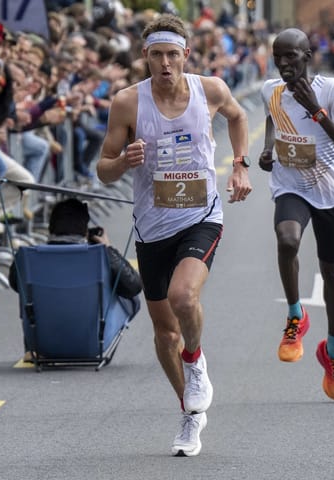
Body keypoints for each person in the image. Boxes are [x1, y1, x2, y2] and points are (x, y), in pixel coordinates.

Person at [96, 14, 251, 457]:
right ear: (145, 57)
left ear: (186, 55)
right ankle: (189, 413)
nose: (165, 63)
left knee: (185, 298)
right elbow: (103, 170)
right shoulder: (127, 103)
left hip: (201, 217)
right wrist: (124, 160)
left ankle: (196, 361)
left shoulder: (211, 90)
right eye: (156, 55)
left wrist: (240, 164)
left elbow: (239, 117)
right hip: (152, 227)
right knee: (165, 334)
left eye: (173, 54)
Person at [258, 28, 334, 402]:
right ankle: (295, 316)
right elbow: (274, 117)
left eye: (292, 57)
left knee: (332, 272)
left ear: (308, 55)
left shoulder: (333, 91)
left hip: (329, 192)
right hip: (291, 187)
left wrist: (317, 111)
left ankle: (332, 353)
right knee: (287, 239)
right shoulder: (270, 90)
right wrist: (269, 150)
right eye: (278, 57)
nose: (284, 64)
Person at [8, 197, 143, 360]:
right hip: (92, 342)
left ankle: (31, 348)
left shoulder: (28, 257)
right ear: (85, 231)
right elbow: (134, 287)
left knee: (26, 290)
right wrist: (108, 248)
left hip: (42, 343)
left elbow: (16, 285)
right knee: (128, 292)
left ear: (50, 228)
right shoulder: (99, 255)